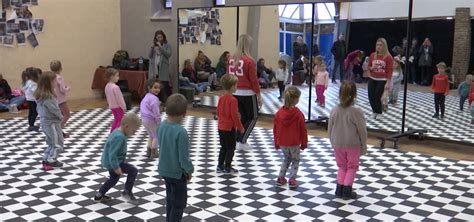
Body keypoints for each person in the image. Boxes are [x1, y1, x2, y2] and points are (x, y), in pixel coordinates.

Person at [157, 94, 194, 222]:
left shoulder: (161, 126)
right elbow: (183, 158)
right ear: (184, 113)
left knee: (170, 200)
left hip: (164, 170)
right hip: (177, 174)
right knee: (179, 204)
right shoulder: (181, 132)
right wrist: (189, 170)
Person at [328, 81, 367, 200]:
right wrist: (363, 146)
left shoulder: (334, 109)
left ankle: (339, 189)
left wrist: (332, 141)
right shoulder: (356, 111)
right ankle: (347, 190)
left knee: (342, 166)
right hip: (352, 144)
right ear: (355, 95)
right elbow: (362, 131)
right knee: (352, 167)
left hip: (337, 143)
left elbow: (330, 127)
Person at [93, 112, 141, 204]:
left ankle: (99, 195)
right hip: (113, 162)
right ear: (126, 127)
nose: (134, 133)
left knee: (113, 179)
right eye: (134, 131)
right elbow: (112, 154)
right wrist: (116, 167)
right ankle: (127, 192)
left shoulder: (118, 132)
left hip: (111, 161)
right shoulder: (119, 137)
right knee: (133, 170)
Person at [228, 34, 262, 151]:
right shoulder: (250, 61)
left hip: (235, 92)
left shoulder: (231, 59)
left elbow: (229, 76)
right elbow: (254, 80)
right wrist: (259, 95)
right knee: (253, 117)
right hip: (248, 93)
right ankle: (241, 140)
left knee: (242, 117)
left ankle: (240, 139)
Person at [273, 86, 307, 188]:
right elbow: (303, 130)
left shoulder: (279, 113)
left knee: (286, 159)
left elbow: (275, 129)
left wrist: (276, 142)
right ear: (296, 100)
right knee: (295, 160)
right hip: (294, 142)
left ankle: (280, 177)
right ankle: (292, 179)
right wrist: (304, 143)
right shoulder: (298, 114)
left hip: (283, 142)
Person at [35, 71, 64, 171]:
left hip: (45, 121)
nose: (56, 82)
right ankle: (51, 160)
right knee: (57, 143)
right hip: (51, 122)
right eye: (55, 80)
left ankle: (47, 159)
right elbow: (54, 109)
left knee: (51, 142)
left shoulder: (41, 96)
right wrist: (60, 117)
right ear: (49, 82)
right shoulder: (49, 97)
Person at [216, 74, 244, 174]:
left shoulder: (221, 98)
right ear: (232, 86)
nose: (237, 87)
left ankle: (220, 166)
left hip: (221, 127)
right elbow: (234, 116)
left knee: (223, 147)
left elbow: (218, 112)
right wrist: (240, 127)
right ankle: (228, 167)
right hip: (229, 128)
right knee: (231, 148)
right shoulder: (233, 100)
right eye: (236, 85)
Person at [367, 37, 394, 120]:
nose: (378, 47)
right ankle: (374, 112)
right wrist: (371, 67)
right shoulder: (372, 55)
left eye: (381, 45)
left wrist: (388, 82)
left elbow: (390, 70)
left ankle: (379, 112)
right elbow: (368, 66)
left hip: (382, 80)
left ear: (384, 46)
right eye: (377, 45)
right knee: (371, 96)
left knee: (377, 96)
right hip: (372, 78)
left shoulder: (388, 57)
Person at [140, 78, 161, 159]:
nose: (157, 90)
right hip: (150, 119)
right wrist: (158, 120)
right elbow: (156, 111)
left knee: (151, 135)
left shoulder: (146, 96)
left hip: (144, 118)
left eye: (158, 88)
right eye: (155, 87)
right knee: (156, 135)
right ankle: (154, 152)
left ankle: (148, 151)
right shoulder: (154, 99)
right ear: (149, 88)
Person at [149, 30, 172, 104]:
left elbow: (168, 54)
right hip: (155, 68)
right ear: (155, 38)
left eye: (161, 37)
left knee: (164, 85)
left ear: (163, 37)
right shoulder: (154, 46)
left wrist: (161, 47)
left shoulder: (167, 45)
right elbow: (150, 56)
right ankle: (158, 101)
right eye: (158, 37)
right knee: (156, 85)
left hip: (163, 68)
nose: (159, 39)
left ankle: (168, 101)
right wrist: (152, 48)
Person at [51, 60, 71, 137]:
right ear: (60, 68)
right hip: (61, 100)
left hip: (54, 99)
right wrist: (67, 88)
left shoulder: (51, 77)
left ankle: (58, 130)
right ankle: (59, 130)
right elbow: (62, 89)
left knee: (58, 116)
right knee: (67, 115)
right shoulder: (59, 78)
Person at [105, 68, 126, 133]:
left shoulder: (107, 86)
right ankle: (116, 133)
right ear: (112, 77)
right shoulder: (115, 87)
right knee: (120, 121)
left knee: (116, 120)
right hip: (118, 107)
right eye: (117, 76)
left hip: (112, 106)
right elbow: (120, 99)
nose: (118, 78)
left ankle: (112, 133)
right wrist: (123, 107)